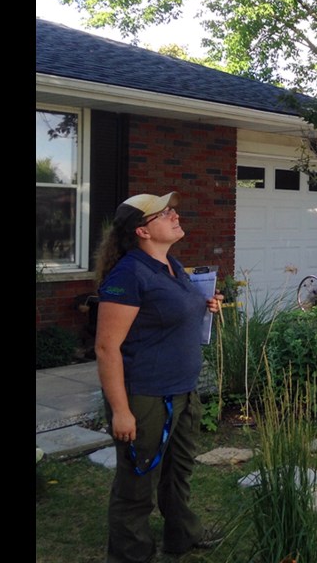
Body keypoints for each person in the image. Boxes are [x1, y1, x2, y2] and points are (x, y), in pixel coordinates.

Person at [94, 191, 224, 563]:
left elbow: (167, 314)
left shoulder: (171, 266)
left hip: (183, 390)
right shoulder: (129, 275)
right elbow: (106, 348)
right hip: (146, 396)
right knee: (137, 482)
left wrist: (203, 305)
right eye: (163, 213)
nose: (174, 215)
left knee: (177, 472)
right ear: (142, 231)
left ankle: (181, 534)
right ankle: (130, 554)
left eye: (172, 210)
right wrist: (121, 410)